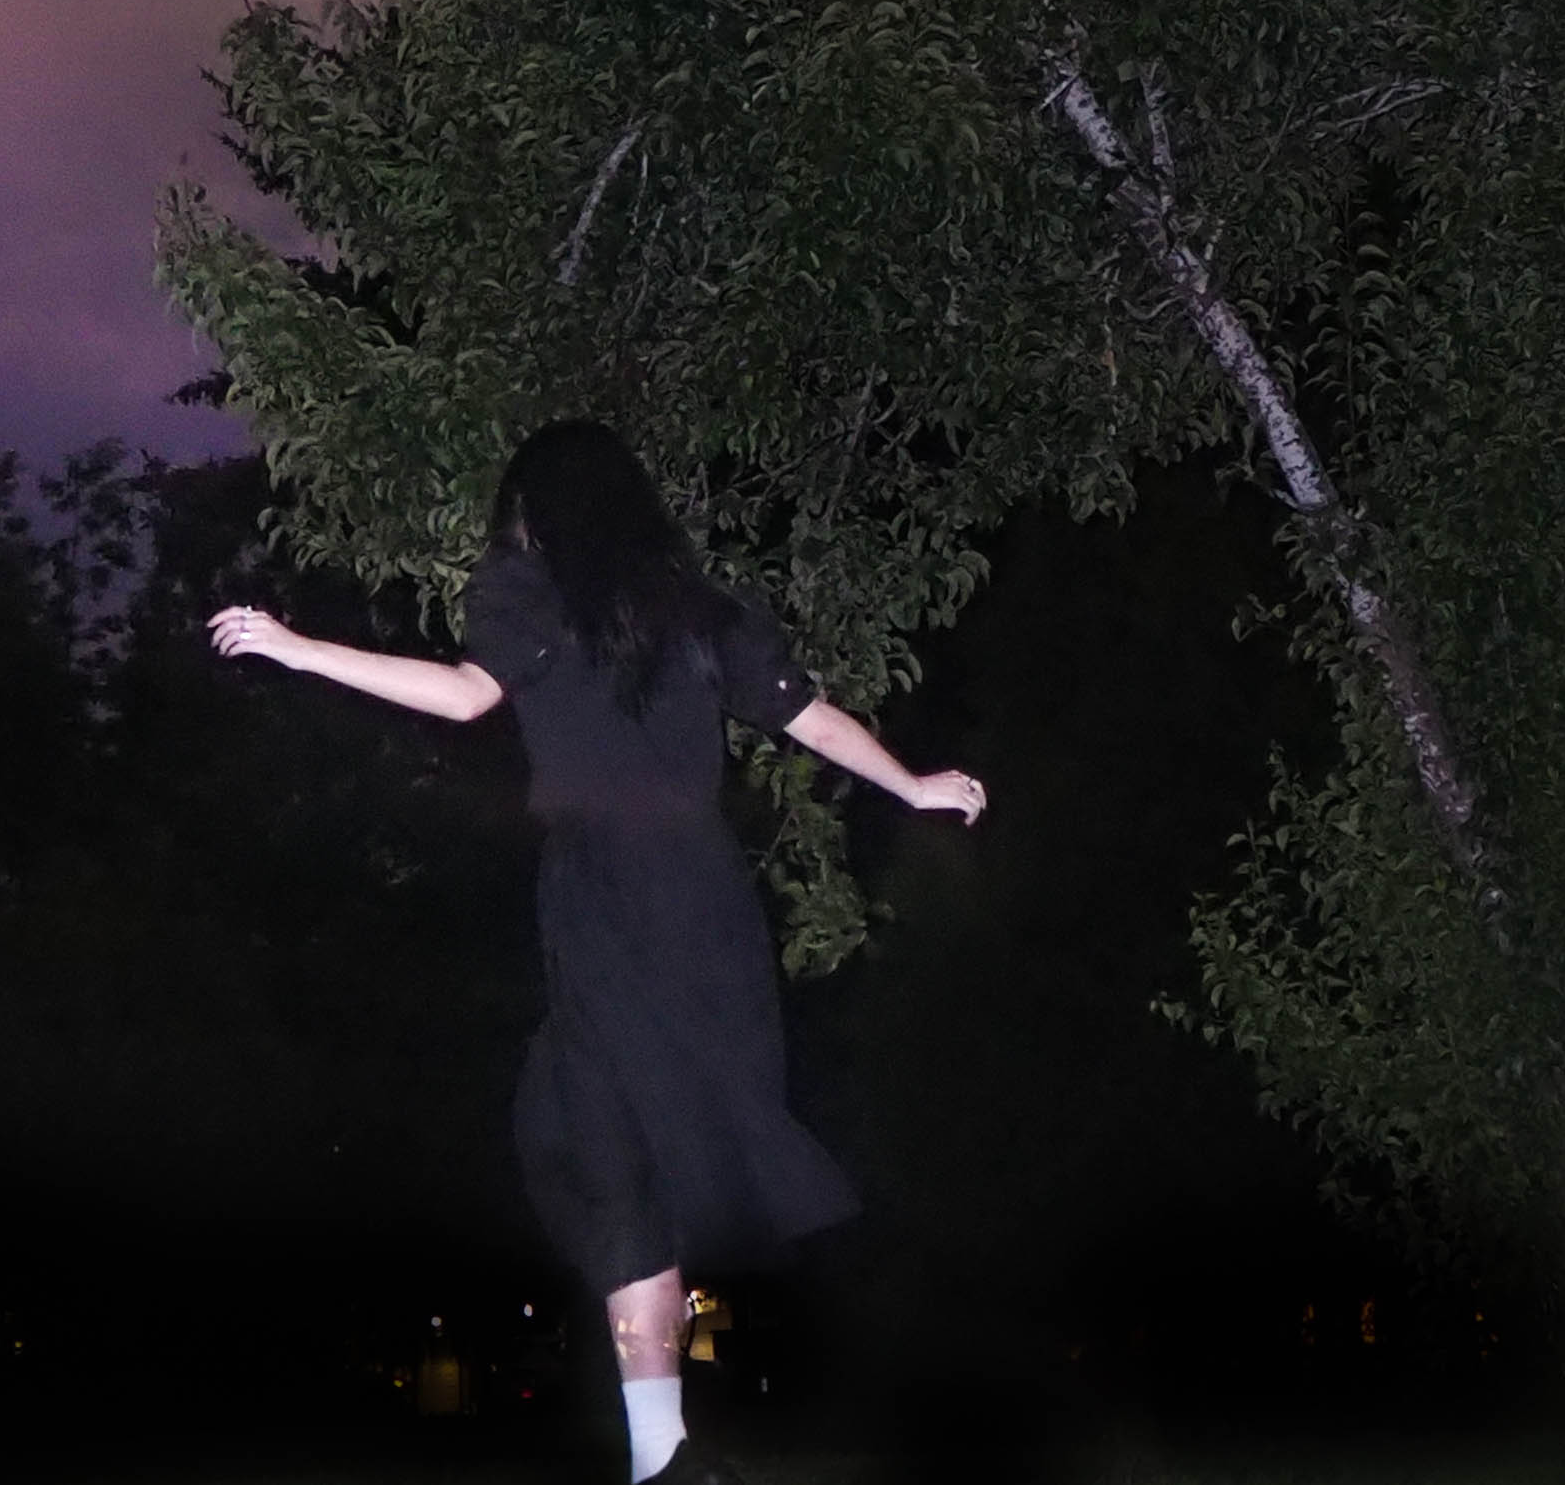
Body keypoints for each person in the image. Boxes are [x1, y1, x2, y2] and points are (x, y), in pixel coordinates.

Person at [208, 419, 985, 1485]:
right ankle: (663, 1453)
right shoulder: (697, 611)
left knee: (599, 1145)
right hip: (702, 908)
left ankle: (683, 1430)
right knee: (619, 1156)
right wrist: (910, 784)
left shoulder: (532, 598)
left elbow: (464, 695)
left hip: (606, 901)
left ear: (537, 513)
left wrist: (301, 650)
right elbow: (803, 714)